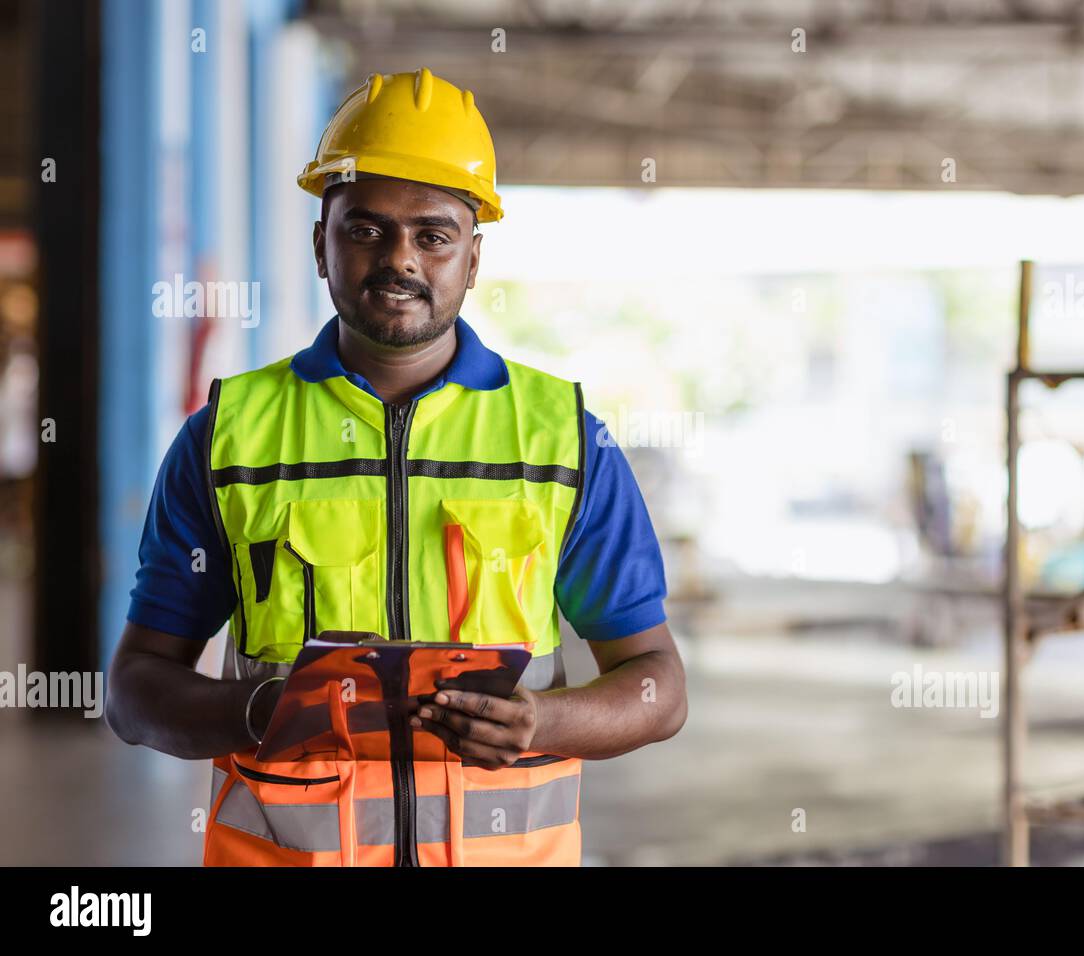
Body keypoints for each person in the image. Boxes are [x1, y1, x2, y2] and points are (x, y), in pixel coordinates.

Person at [106, 68, 687, 867]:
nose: (400, 258)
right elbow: (136, 692)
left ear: (472, 259)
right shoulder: (227, 440)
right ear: (322, 244)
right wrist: (263, 711)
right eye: (366, 229)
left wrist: (540, 723)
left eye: (434, 234)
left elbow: (657, 685)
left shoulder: (564, 442)